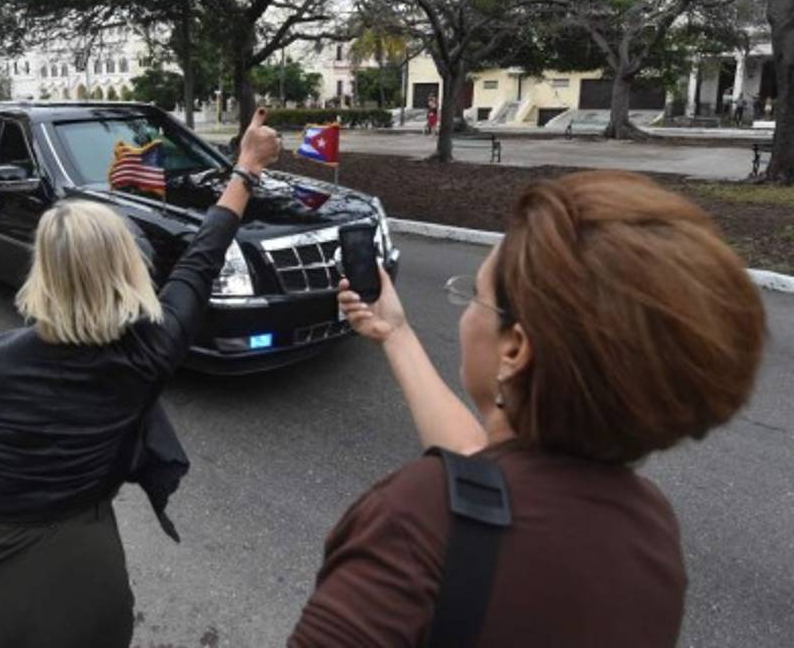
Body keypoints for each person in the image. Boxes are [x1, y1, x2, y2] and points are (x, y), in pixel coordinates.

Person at [289, 170, 765, 647]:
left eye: (477, 295)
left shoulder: (418, 519)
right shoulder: (650, 529)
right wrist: (396, 333)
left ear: (515, 349)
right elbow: (485, 475)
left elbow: (473, 499)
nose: (467, 310)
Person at [0, 109, 283, 648]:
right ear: (126, 267)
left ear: (41, 268)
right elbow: (200, 258)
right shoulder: (148, 354)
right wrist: (246, 167)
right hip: (81, 570)